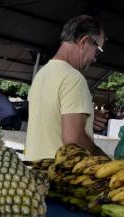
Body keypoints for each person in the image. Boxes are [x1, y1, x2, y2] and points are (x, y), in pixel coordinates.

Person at [25, 15, 106, 160]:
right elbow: (73, 140)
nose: (95, 57)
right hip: (59, 176)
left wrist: (86, 118)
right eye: (97, 50)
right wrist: (103, 159)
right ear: (84, 41)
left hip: (35, 172)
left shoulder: (42, 74)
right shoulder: (73, 78)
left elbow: (50, 119)